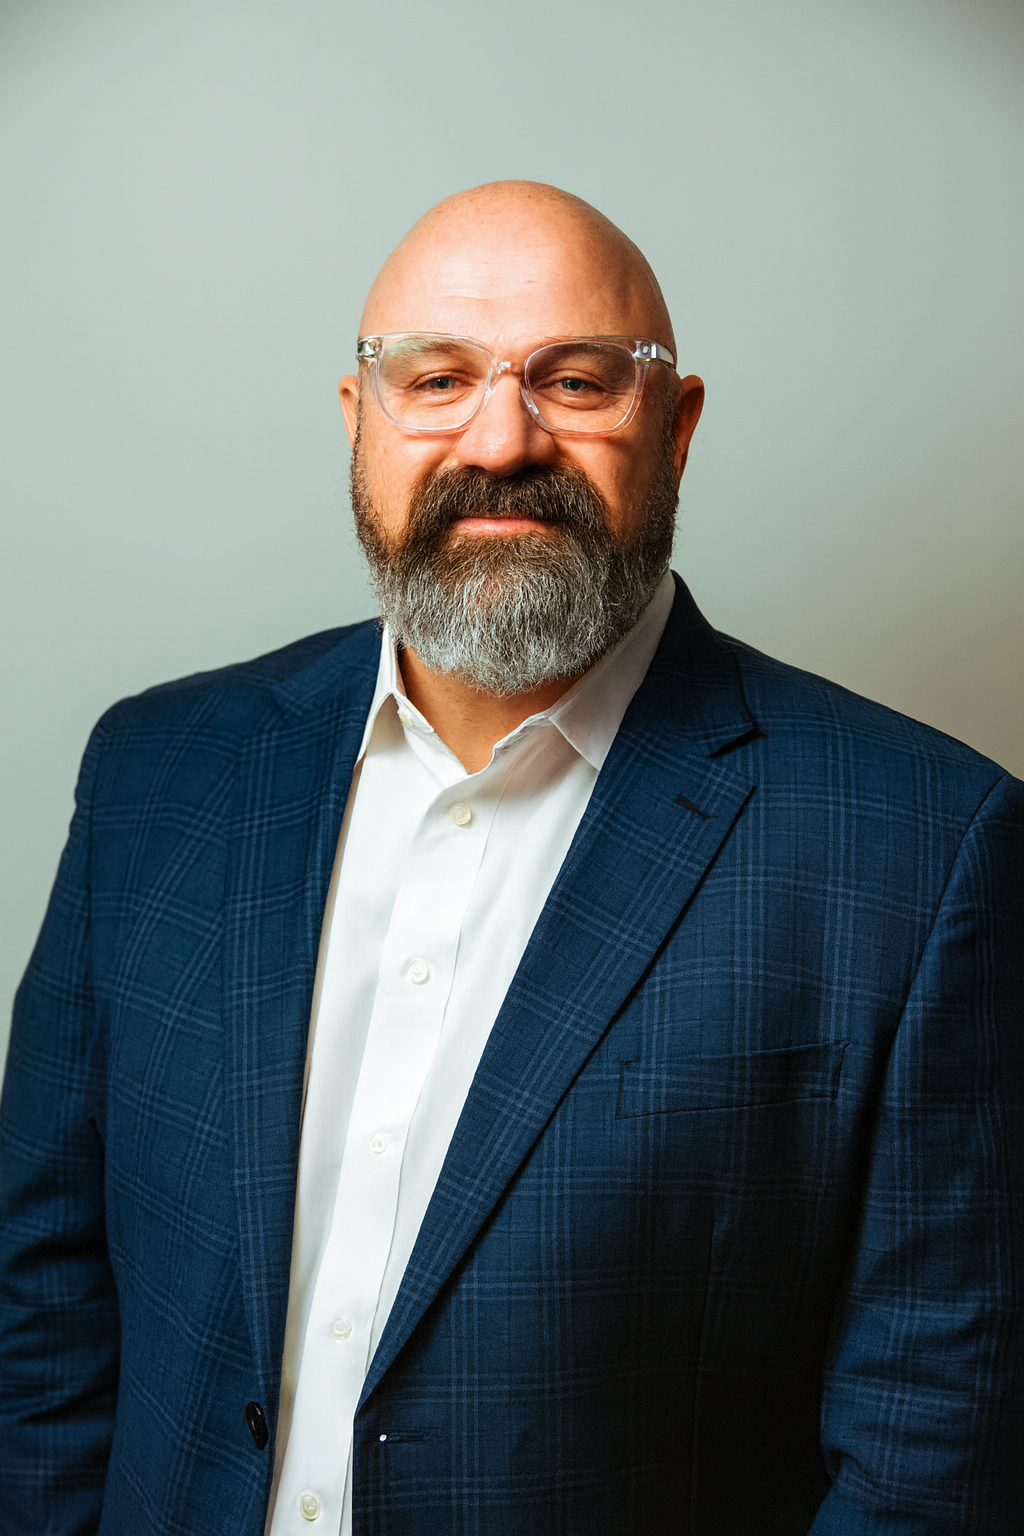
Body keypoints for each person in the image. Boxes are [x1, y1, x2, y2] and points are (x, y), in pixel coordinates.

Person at [0, 181, 1021, 1536]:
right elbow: (42, 1300)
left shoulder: (926, 846)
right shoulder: (157, 774)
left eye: (576, 381)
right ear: (358, 420)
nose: (500, 439)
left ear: (677, 426)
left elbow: (933, 1432)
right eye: (436, 380)